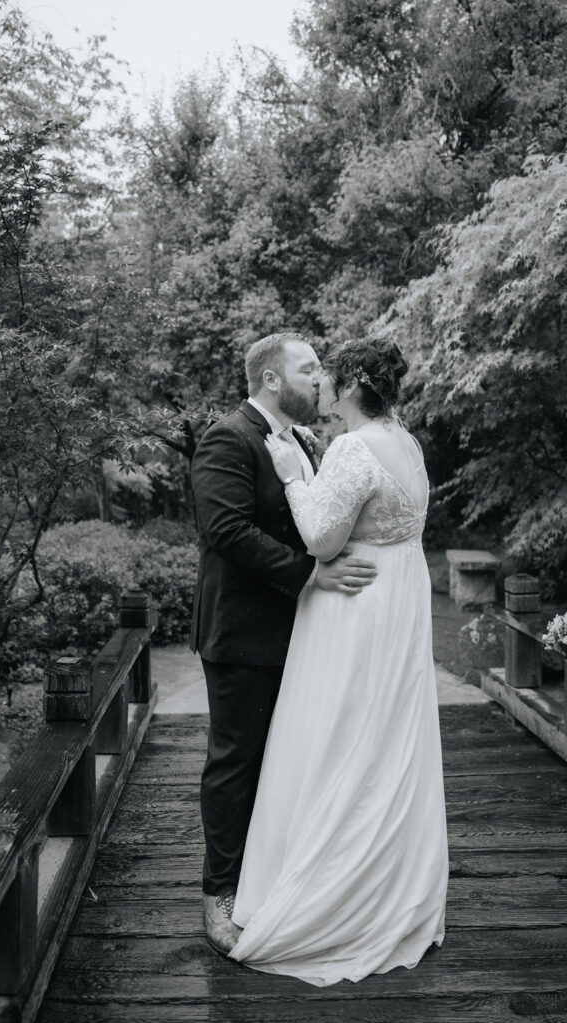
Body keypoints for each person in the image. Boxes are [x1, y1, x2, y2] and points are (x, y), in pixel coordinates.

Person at [228, 336, 449, 986]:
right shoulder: (404, 442)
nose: (319, 383)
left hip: (353, 612)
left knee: (338, 740)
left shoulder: (352, 447)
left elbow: (322, 536)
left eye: (328, 374)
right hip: (396, 603)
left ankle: (331, 899)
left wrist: (296, 478)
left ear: (352, 381)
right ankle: (389, 886)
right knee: (383, 742)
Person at [190, 332, 379, 955]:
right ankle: (218, 896)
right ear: (272, 380)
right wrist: (310, 574)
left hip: (300, 634)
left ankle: (268, 883)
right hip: (243, 634)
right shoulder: (228, 436)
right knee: (235, 762)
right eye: (309, 368)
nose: (320, 377)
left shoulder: (301, 440)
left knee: (287, 761)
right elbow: (227, 530)